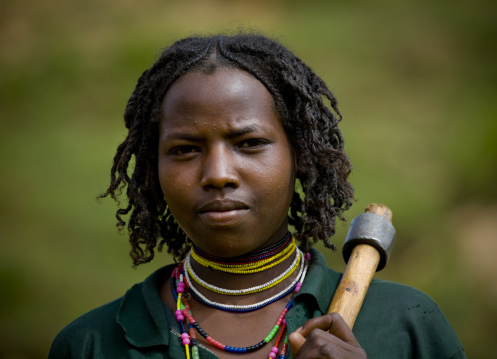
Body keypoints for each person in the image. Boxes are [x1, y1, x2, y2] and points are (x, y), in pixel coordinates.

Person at [48, 33, 466, 359]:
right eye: (184, 150)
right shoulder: (91, 343)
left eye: (249, 143)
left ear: (300, 156)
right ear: (152, 172)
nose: (218, 174)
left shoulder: (405, 323)